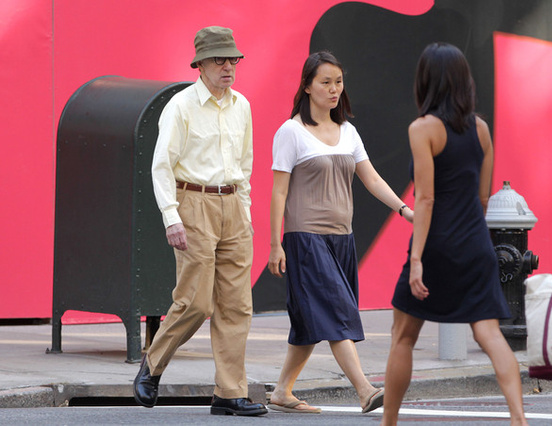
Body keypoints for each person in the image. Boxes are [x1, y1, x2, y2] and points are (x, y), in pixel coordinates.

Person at [381, 42, 528, 426]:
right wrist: (471, 239)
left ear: (425, 82)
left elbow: (425, 199)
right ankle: (518, 418)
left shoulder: (422, 128)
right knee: (490, 334)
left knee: (403, 337)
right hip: (476, 245)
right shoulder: (481, 129)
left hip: (436, 246)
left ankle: (389, 422)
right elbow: (482, 198)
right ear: (464, 81)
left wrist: (416, 259)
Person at [267, 51, 414, 414]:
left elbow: (372, 178)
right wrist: (275, 244)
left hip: (342, 240)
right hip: (306, 239)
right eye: (325, 82)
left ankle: (282, 391)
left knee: (309, 323)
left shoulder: (348, 131)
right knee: (337, 312)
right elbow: (279, 191)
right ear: (307, 86)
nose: (334, 90)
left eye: (338, 82)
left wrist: (404, 209)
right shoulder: (291, 132)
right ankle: (364, 389)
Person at [133, 26, 267, 417]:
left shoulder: (241, 104)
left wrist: (244, 209)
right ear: (201, 64)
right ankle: (153, 365)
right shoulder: (181, 106)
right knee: (194, 301)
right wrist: (171, 217)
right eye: (219, 60)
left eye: (233, 60)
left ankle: (229, 392)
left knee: (237, 305)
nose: (228, 67)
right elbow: (161, 166)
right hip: (192, 203)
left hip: (232, 208)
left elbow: (245, 164)